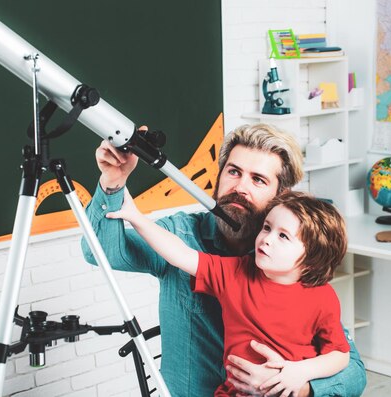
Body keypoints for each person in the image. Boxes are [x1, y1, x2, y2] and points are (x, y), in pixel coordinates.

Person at [81, 123, 367, 396]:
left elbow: (351, 369)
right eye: (233, 172)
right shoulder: (180, 233)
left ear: (281, 197)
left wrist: (296, 385)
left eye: (258, 179)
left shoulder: (297, 271)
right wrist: (113, 184)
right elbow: (97, 251)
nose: (240, 187)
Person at [106, 189, 351, 397]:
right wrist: (136, 218)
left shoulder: (322, 297)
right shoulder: (236, 273)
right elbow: (180, 254)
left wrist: (300, 373)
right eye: (267, 228)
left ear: (311, 259)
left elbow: (340, 355)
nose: (267, 239)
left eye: (283, 236)